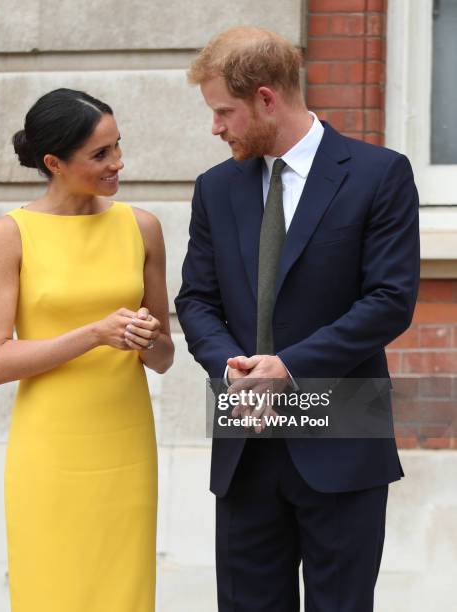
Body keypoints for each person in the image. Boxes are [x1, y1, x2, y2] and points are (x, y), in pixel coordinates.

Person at [175, 27, 420, 611]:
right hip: (246, 440)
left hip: (343, 434)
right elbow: (195, 301)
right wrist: (231, 371)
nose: (216, 127)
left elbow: (390, 300)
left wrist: (287, 367)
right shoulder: (215, 188)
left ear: (266, 98)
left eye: (223, 112)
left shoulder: (379, 174)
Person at [0, 88, 174, 612]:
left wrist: (146, 339)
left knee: (123, 591)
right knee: (51, 589)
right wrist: (93, 334)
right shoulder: (9, 235)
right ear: (53, 163)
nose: (118, 163)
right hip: (50, 450)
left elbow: (164, 357)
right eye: (100, 154)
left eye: (117, 147)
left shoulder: (142, 228)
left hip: (125, 448)